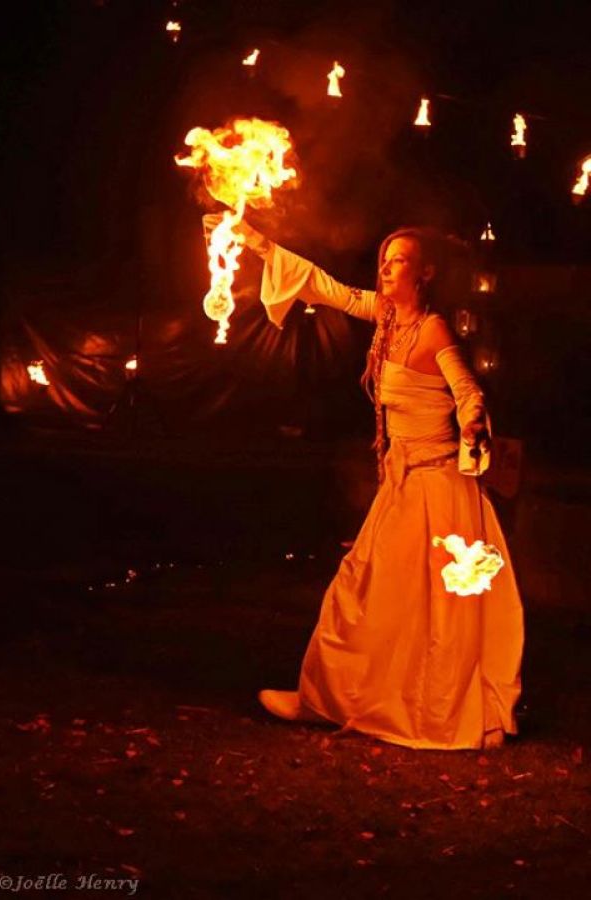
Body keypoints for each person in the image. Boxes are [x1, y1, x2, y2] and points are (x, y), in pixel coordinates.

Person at [205, 215, 524, 751]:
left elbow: (466, 388)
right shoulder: (386, 319)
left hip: (437, 484)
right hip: (400, 480)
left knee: (419, 602)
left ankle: (426, 709)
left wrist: (471, 420)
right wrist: (253, 239)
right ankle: (328, 699)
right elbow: (325, 288)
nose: (386, 268)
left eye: (398, 261)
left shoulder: (432, 329)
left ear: (423, 274)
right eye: (384, 259)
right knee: (366, 590)